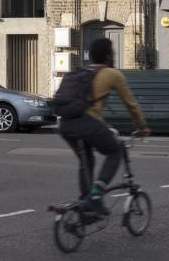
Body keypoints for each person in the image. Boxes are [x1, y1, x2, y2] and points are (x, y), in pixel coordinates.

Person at [58, 37, 149, 217]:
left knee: (87, 161)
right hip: (87, 123)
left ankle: (86, 204)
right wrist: (142, 127)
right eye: (113, 53)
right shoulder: (112, 74)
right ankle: (96, 196)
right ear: (108, 56)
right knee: (114, 151)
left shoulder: (81, 73)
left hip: (66, 124)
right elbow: (131, 104)